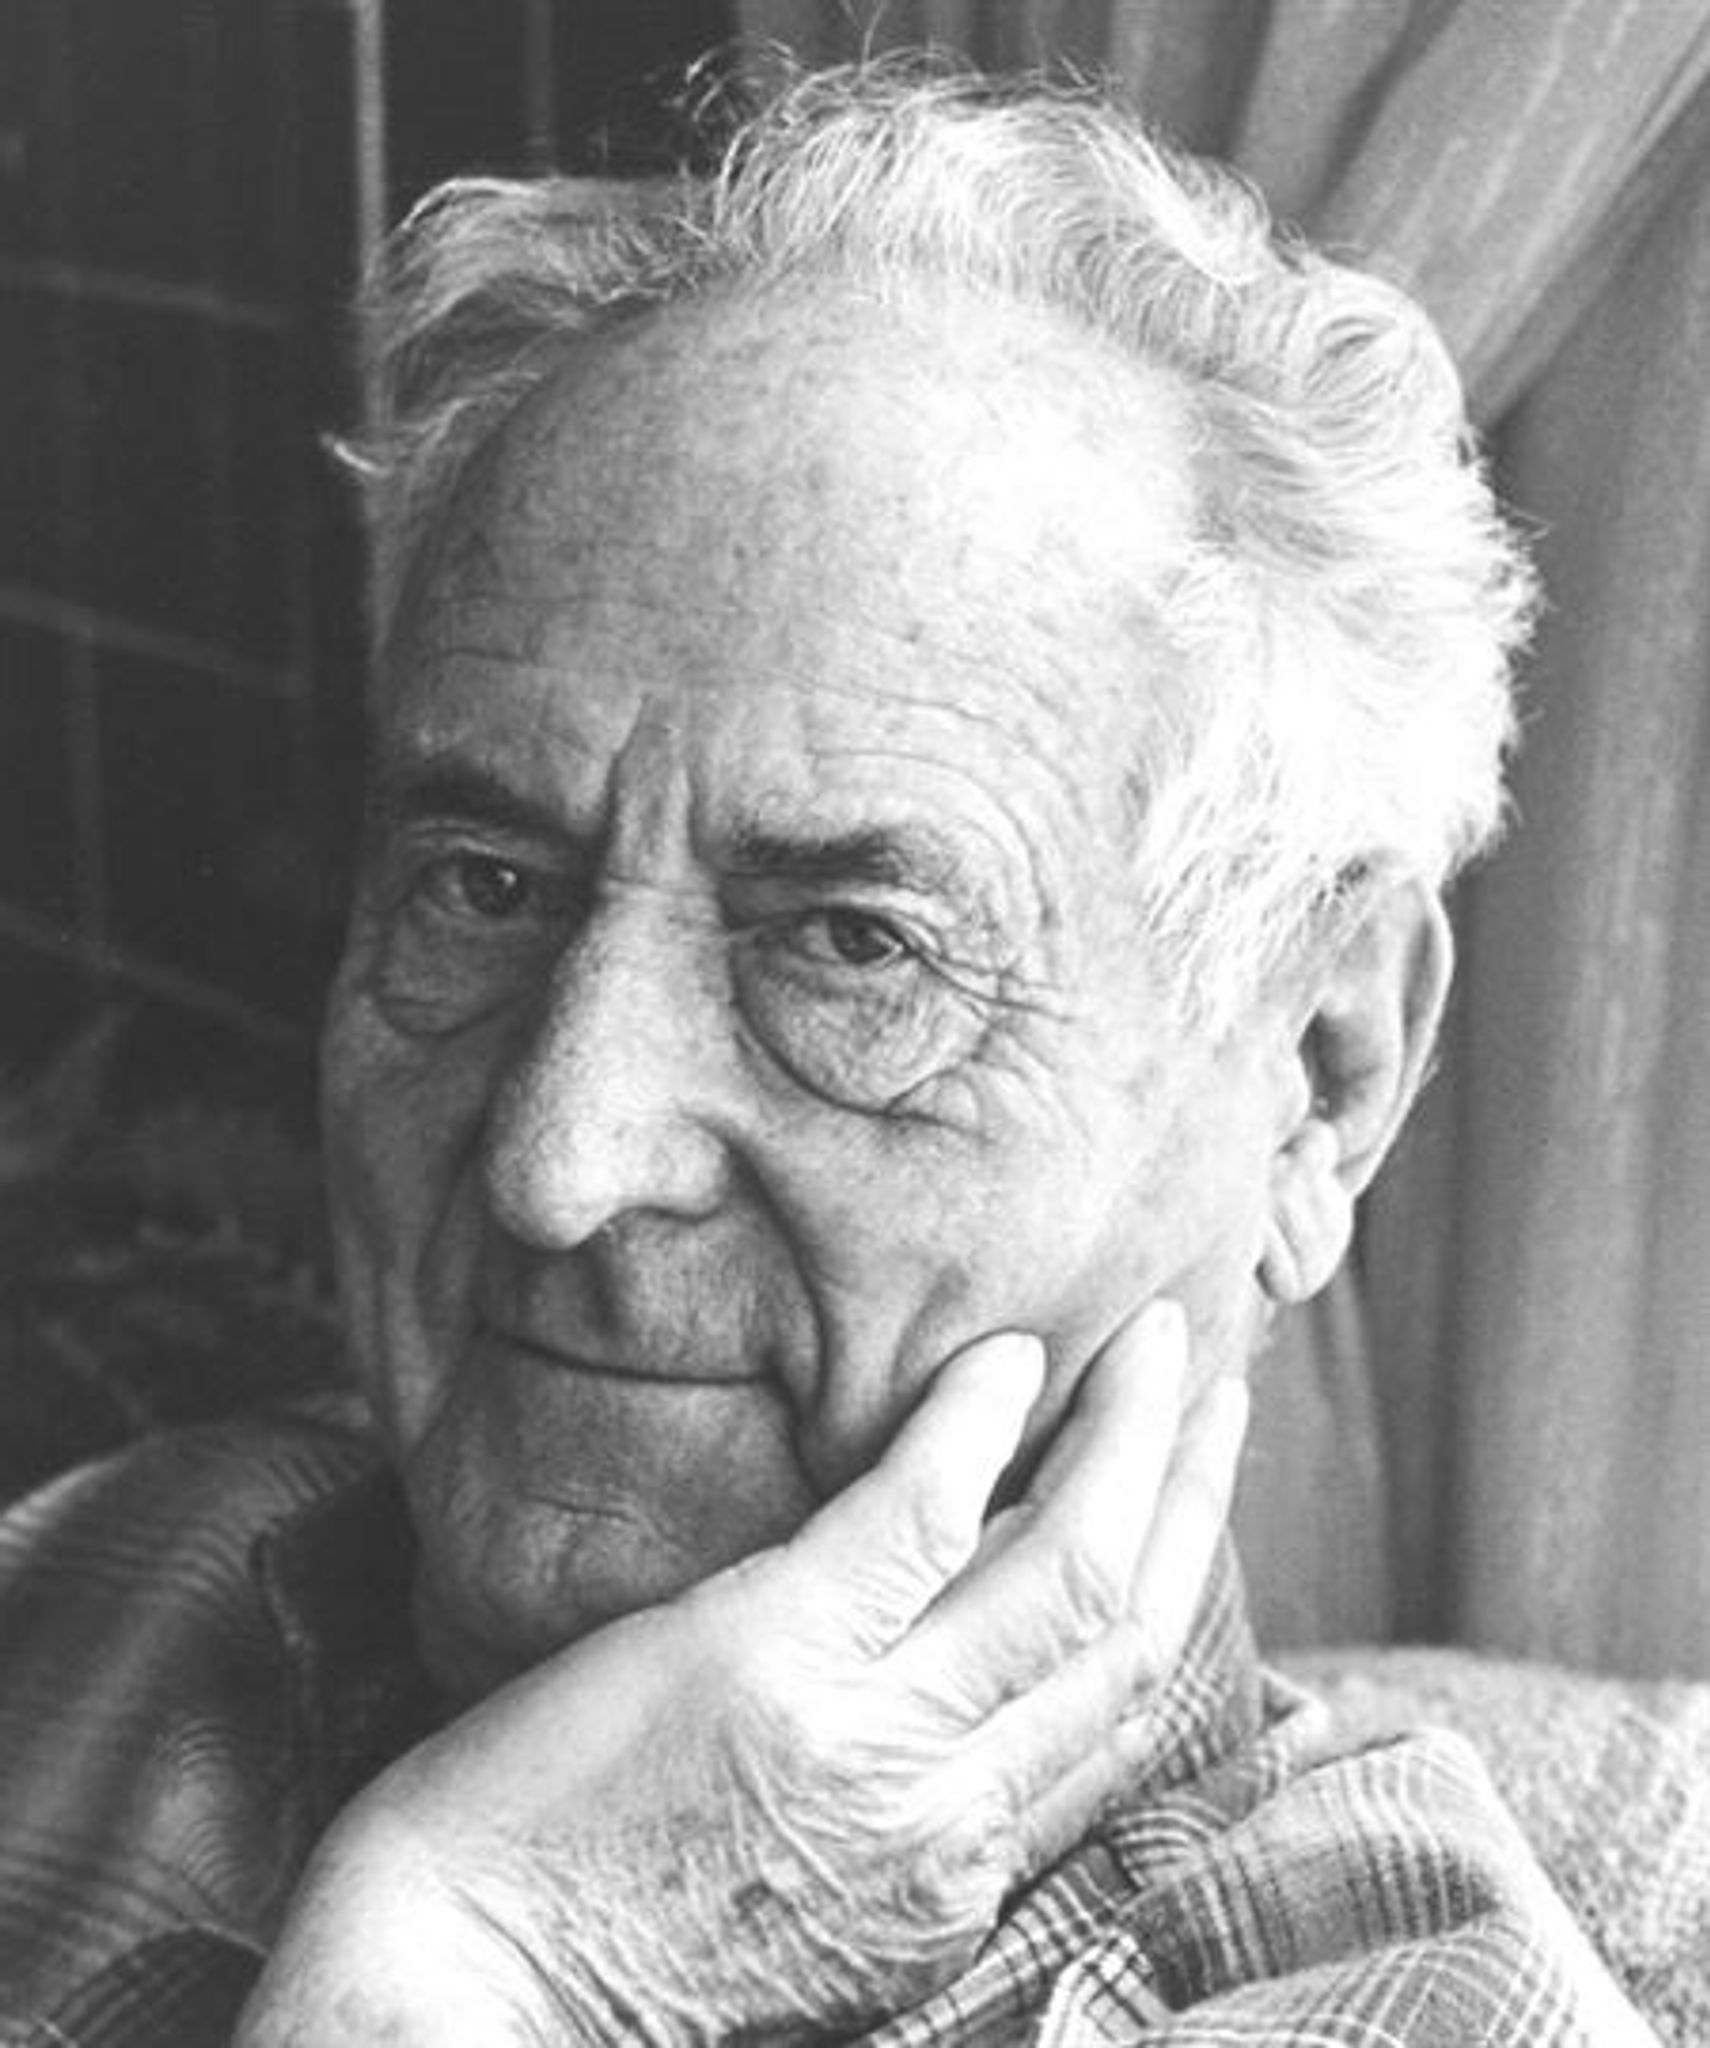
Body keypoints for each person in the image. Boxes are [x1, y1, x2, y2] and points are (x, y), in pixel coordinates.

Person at [0, 63, 1660, 2045]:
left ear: (1324, 1075)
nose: (558, 1158)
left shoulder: (1410, 2015)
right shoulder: (104, 1580)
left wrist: (495, 1963)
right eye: (484, 886)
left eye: (855, 947)